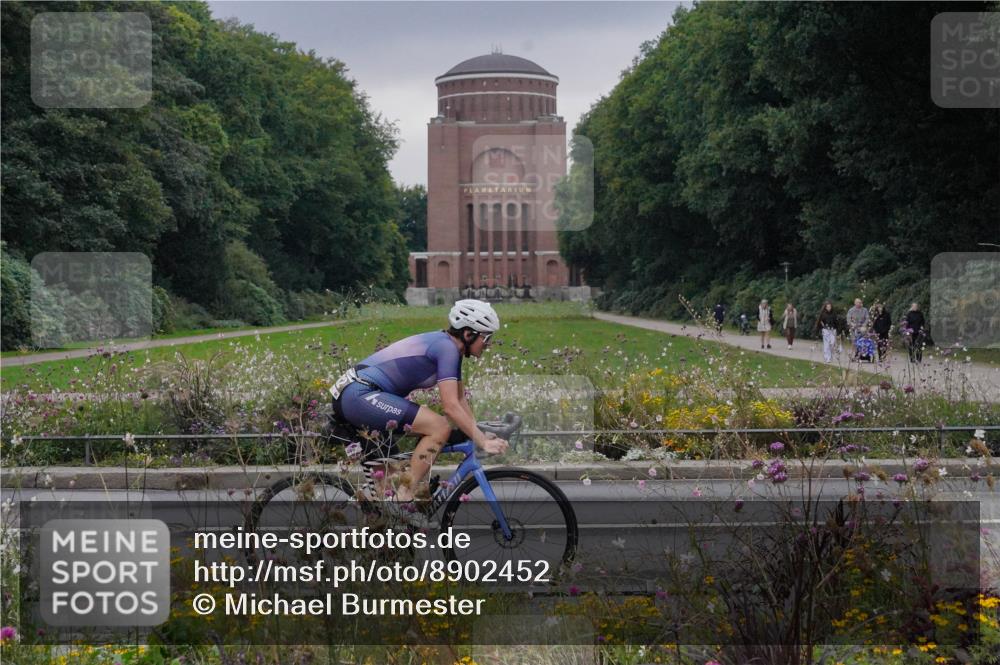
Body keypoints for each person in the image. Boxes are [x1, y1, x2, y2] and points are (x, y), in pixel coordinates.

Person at [329, 299, 509, 504]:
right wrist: (482, 441)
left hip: (355, 393)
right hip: (359, 393)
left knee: (386, 496)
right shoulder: (447, 349)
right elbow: (450, 408)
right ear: (468, 334)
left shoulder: (451, 349)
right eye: (487, 338)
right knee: (439, 427)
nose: (489, 344)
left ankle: (384, 514)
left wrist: (477, 431)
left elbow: (459, 399)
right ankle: (405, 495)